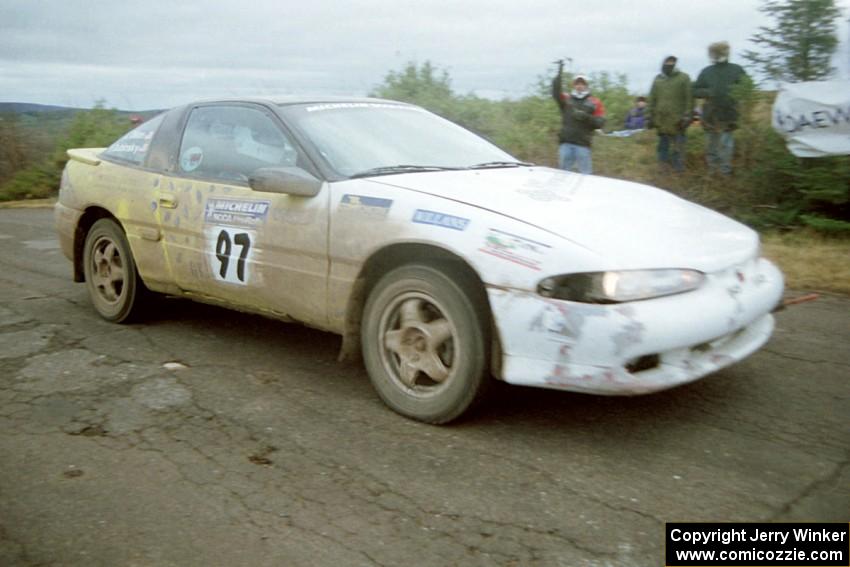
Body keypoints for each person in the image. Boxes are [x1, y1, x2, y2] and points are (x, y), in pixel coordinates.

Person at [693, 41, 749, 175]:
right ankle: (712, 171)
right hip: (710, 115)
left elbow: (747, 88)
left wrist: (739, 100)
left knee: (726, 145)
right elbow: (694, 90)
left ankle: (725, 172)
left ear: (726, 53)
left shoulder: (737, 70)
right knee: (711, 145)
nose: (717, 55)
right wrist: (707, 93)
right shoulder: (706, 72)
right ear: (711, 55)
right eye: (715, 53)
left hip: (729, 114)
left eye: (720, 52)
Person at [551, 61, 606, 174]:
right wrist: (559, 73)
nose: (579, 86)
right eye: (577, 83)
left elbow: (600, 122)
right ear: (574, 85)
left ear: (586, 85)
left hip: (583, 145)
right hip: (566, 143)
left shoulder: (595, 102)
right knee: (563, 175)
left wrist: (586, 117)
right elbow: (555, 92)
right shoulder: (566, 99)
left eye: (582, 83)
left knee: (586, 176)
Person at [647, 56, 692, 172]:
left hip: (678, 122)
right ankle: (663, 172)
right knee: (662, 148)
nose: (670, 64)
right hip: (661, 122)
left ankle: (678, 173)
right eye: (668, 62)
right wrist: (649, 117)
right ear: (663, 63)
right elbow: (652, 99)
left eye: (672, 62)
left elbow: (689, 99)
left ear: (675, 64)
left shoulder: (684, 78)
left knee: (678, 149)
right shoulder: (657, 79)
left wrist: (687, 117)